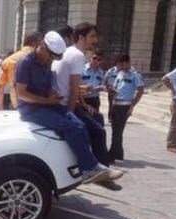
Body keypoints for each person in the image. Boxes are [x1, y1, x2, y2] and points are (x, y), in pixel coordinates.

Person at [14, 31, 113, 184]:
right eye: (52, 56)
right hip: (30, 110)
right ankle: (89, 167)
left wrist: (53, 94)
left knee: (80, 125)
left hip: (46, 104)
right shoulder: (25, 62)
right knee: (71, 127)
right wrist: (47, 101)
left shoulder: (46, 63)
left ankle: (87, 166)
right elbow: (21, 94)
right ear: (42, 46)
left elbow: (48, 86)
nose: (52, 60)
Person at [51, 23, 123, 189]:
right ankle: (94, 171)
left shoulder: (68, 52)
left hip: (64, 102)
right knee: (95, 131)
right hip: (64, 104)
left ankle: (99, 170)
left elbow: (71, 85)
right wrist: (69, 113)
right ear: (81, 37)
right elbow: (74, 87)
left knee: (97, 125)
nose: (95, 40)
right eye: (92, 36)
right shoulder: (77, 55)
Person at [108, 54, 144, 162]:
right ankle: (118, 154)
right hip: (116, 103)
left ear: (127, 62)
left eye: (122, 63)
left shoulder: (134, 75)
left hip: (124, 106)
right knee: (115, 131)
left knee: (118, 131)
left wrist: (132, 105)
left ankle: (112, 155)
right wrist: (111, 90)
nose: (121, 66)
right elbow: (115, 87)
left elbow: (140, 90)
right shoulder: (119, 74)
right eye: (119, 64)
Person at [0, 31, 43, 110]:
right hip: (39, 105)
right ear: (35, 43)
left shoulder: (8, 60)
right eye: (41, 43)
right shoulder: (42, 58)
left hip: (17, 106)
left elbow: (0, 86)